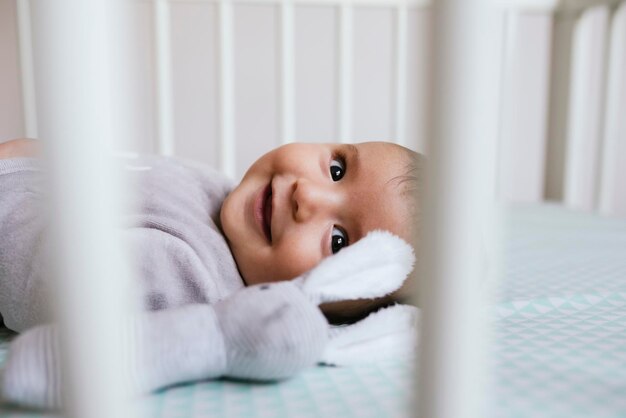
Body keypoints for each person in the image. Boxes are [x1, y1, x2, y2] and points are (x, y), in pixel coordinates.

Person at [0, 138, 422, 408]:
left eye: (338, 241)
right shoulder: (219, 188)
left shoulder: (192, 277)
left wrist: (14, 168)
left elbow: (39, 278)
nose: (305, 194)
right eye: (337, 169)